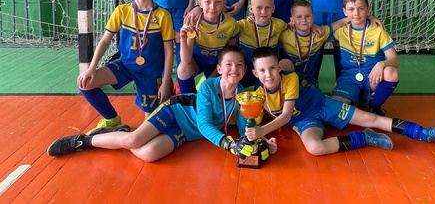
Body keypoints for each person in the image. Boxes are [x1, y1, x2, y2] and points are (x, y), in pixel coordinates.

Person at [47, 46, 277, 162]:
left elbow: (245, 126)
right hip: (174, 112)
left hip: (185, 133)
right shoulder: (208, 87)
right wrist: (228, 144)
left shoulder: (244, 95)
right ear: (219, 68)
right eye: (228, 65)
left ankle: (118, 134)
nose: (234, 69)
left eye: (239, 65)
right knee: (133, 140)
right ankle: (83, 141)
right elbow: (205, 125)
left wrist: (262, 141)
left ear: (245, 70)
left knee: (147, 154)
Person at [245, 47, 435, 157]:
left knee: (370, 118)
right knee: (315, 148)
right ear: (255, 73)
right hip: (304, 120)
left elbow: (286, 114)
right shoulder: (257, 95)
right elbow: (255, 125)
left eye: (272, 68)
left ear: (279, 68)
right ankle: (364, 137)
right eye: (262, 70)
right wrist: (264, 139)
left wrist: (262, 131)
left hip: (322, 105)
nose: (268, 74)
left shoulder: (290, 79)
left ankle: (423, 133)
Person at [77, 0, 174, 134]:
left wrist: (166, 82)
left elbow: (168, 51)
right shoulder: (122, 11)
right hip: (126, 65)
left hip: (150, 72)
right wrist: (91, 68)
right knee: (86, 83)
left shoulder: (162, 15)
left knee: (148, 130)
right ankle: (112, 119)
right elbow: (105, 41)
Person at [331, 0, 400, 115]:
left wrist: (381, 64)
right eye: (351, 9)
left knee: (391, 73)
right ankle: (358, 96)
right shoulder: (341, 31)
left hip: (371, 78)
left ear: (368, 8)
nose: (356, 13)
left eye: (361, 8)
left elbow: (395, 60)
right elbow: (321, 33)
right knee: (334, 110)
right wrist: (346, 20)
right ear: (345, 11)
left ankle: (375, 106)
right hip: (349, 78)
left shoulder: (378, 31)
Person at [175, 0, 240, 94]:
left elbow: (229, 55)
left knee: (214, 87)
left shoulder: (231, 24)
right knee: (182, 69)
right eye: (207, 2)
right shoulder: (192, 21)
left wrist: (212, 78)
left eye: (218, 2)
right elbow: (186, 60)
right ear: (200, 3)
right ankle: (189, 98)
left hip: (218, 63)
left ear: (224, 2)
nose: (212, 7)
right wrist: (183, 39)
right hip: (197, 61)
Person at [279, 0, 348, 87]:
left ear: (313, 18)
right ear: (292, 20)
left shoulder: (319, 34)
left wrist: (363, 17)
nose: (303, 20)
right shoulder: (284, 35)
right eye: (299, 17)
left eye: (307, 16)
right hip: (290, 83)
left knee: (318, 95)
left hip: (311, 82)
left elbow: (342, 22)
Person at [236, 0, 288, 86]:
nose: (263, 12)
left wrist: (313, 27)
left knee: (287, 64)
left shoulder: (280, 25)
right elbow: (225, 26)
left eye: (267, 7)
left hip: (268, 72)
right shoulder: (244, 25)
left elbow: (294, 28)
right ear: (251, 9)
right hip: (247, 69)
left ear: (273, 8)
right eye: (259, 8)